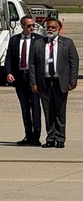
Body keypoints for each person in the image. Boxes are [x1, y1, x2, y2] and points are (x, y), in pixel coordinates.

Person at [38, 17, 78, 148]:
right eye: (48, 27)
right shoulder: (39, 43)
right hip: (45, 82)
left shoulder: (67, 43)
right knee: (48, 111)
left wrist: (72, 80)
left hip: (60, 82)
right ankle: (50, 138)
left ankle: (60, 139)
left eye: (53, 27)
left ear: (59, 29)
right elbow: (32, 64)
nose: (50, 29)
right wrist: (34, 82)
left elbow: (74, 62)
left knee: (60, 112)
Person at [4, 15, 42, 146]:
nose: (32, 28)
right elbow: (9, 57)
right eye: (29, 26)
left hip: (34, 78)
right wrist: (8, 72)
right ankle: (28, 135)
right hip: (20, 77)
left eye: (33, 26)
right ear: (23, 26)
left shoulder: (39, 40)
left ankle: (36, 136)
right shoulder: (14, 40)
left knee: (35, 107)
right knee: (25, 107)